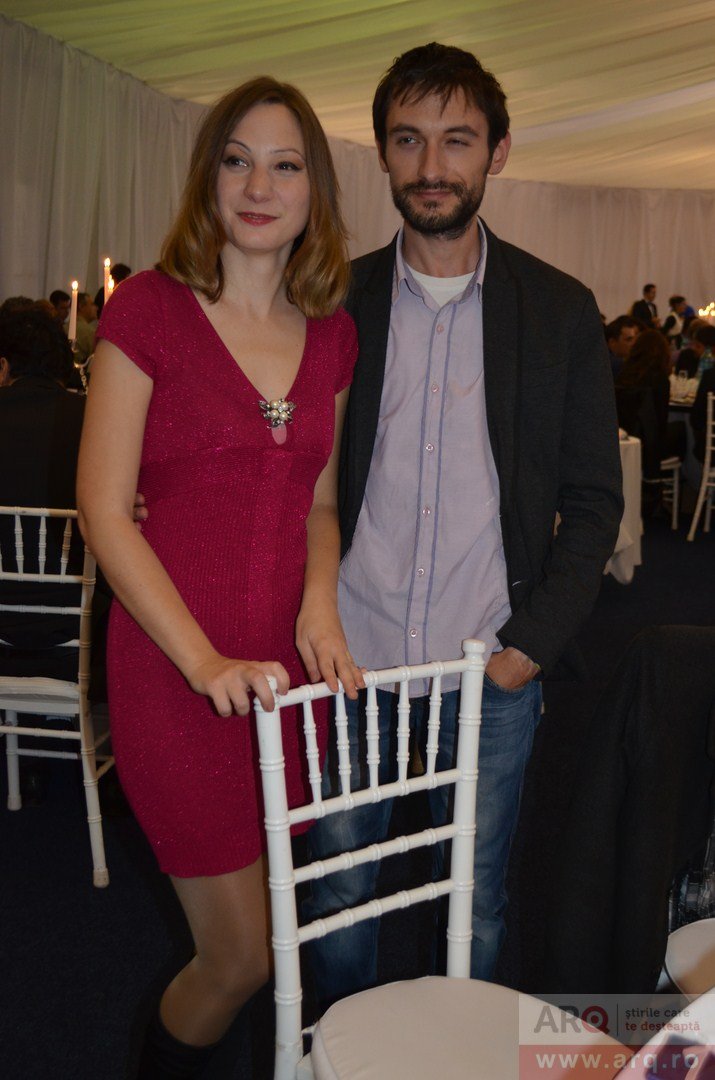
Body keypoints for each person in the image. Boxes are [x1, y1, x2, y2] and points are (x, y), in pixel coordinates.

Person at [305, 42, 623, 1004]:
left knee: (474, 902)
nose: (431, 165)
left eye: (456, 140)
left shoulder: (558, 310)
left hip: (487, 665)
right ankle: (334, 1052)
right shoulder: (331, 301)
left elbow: (594, 502)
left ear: (497, 151)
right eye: (408, 140)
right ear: (382, 154)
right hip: (351, 657)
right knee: (340, 891)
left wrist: (528, 648)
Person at [76, 76, 362, 1078]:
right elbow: (103, 510)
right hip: (176, 670)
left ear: (314, 191)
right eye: (237, 161)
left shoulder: (332, 331)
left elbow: (319, 504)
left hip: (284, 678)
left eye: (285, 165)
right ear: (208, 177)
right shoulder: (150, 310)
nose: (258, 186)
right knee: (239, 955)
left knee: (270, 941)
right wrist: (202, 662)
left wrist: (320, 604)